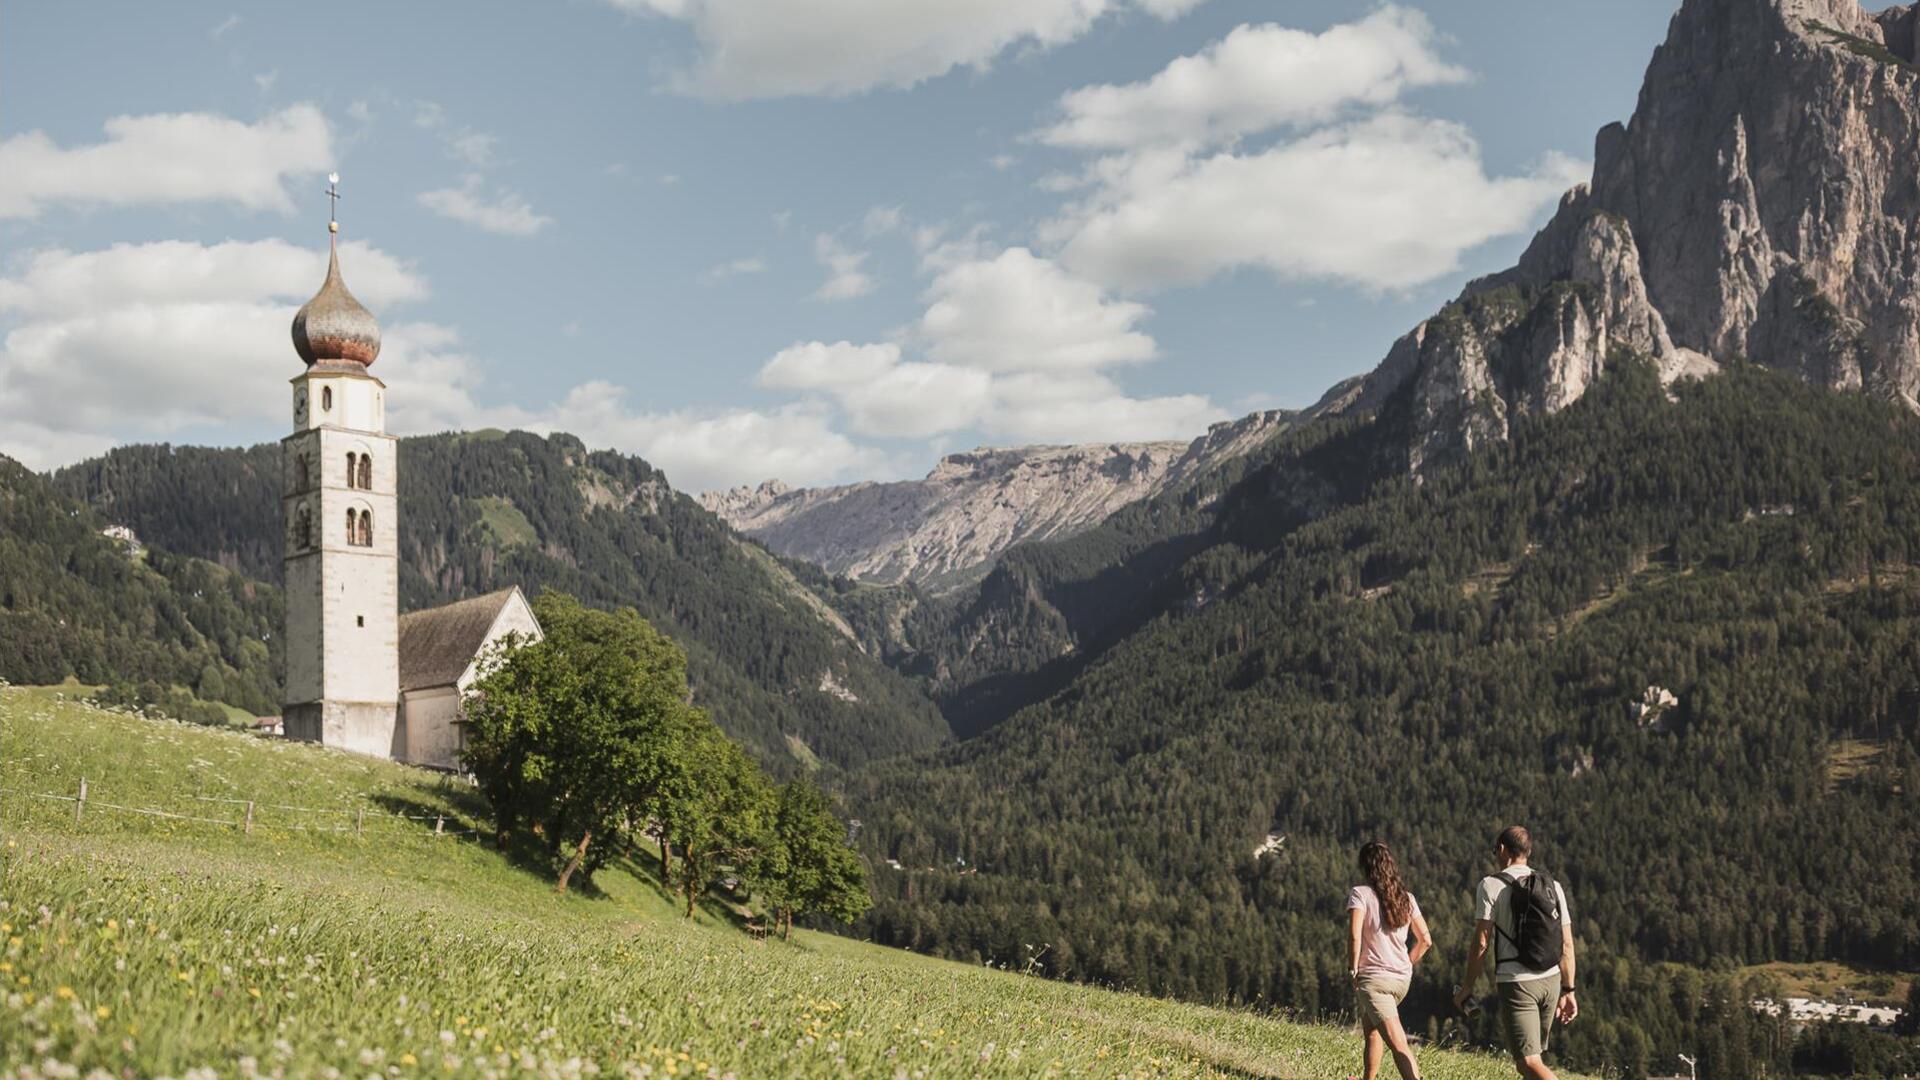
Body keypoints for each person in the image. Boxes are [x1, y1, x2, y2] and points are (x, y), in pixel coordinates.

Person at [1453, 826, 1578, 1080]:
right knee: (1533, 1061)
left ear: (1501, 849)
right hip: (1551, 980)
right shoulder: (1553, 886)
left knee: (1528, 1062)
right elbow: (1566, 944)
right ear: (1527, 852)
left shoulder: (1490, 886)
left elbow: (1481, 943)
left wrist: (1467, 986)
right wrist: (1569, 989)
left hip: (1518, 982)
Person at [1347, 840, 1433, 1080]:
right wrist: (1406, 963)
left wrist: (1353, 969)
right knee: (1372, 1031)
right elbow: (1425, 940)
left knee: (1398, 1043)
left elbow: (1354, 935)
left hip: (1374, 980)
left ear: (1366, 867)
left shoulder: (1360, 894)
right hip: (1401, 980)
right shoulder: (1407, 899)